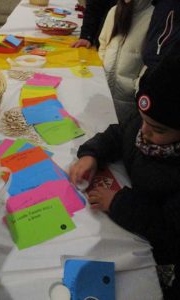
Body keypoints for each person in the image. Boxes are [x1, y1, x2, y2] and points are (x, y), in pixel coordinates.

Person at [69, 54, 180, 299]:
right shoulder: (144, 124)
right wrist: (92, 155)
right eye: (143, 120)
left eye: (158, 130)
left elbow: (169, 235)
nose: (144, 132)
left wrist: (118, 203)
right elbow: (119, 133)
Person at [98, 0, 153, 124]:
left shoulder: (154, 18)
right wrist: (101, 69)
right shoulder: (114, 11)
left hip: (128, 99)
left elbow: (150, 63)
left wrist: (136, 85)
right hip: (104, 90)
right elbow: (103, 43)